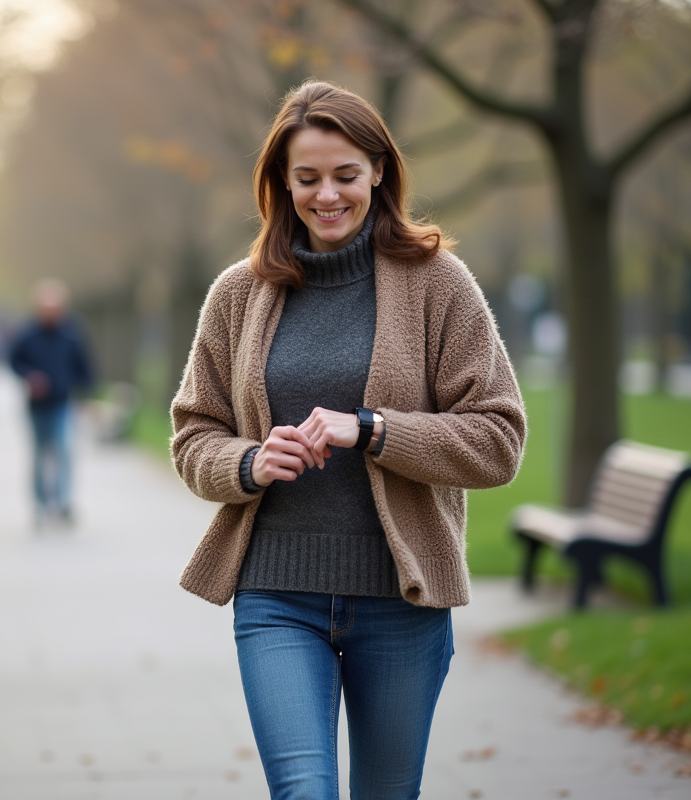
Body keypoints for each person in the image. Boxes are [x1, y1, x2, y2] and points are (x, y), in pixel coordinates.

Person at [170, 80, 526, 800]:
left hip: (400, 602)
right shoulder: (238, 294)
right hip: (277, 595)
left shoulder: (439, 285)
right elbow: (192, 434)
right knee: (303, 791)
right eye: (307, 178)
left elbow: (497, 440)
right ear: (280, 183)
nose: (326, 195)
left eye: (345, 175)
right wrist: (247, 460)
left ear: (379, 172)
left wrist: (373, 428)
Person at [9, 279, 94, 527]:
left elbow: (84, 367)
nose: (51, 313)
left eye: (55, 308)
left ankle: (63, 502)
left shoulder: (73, 333)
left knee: (65, 450)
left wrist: (86, 397)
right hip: (36, 406)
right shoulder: (27, 334)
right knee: (39, 456)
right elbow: (14, 361)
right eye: (46, 308)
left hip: (63, 403)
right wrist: (29, 376)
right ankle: (40, 504)